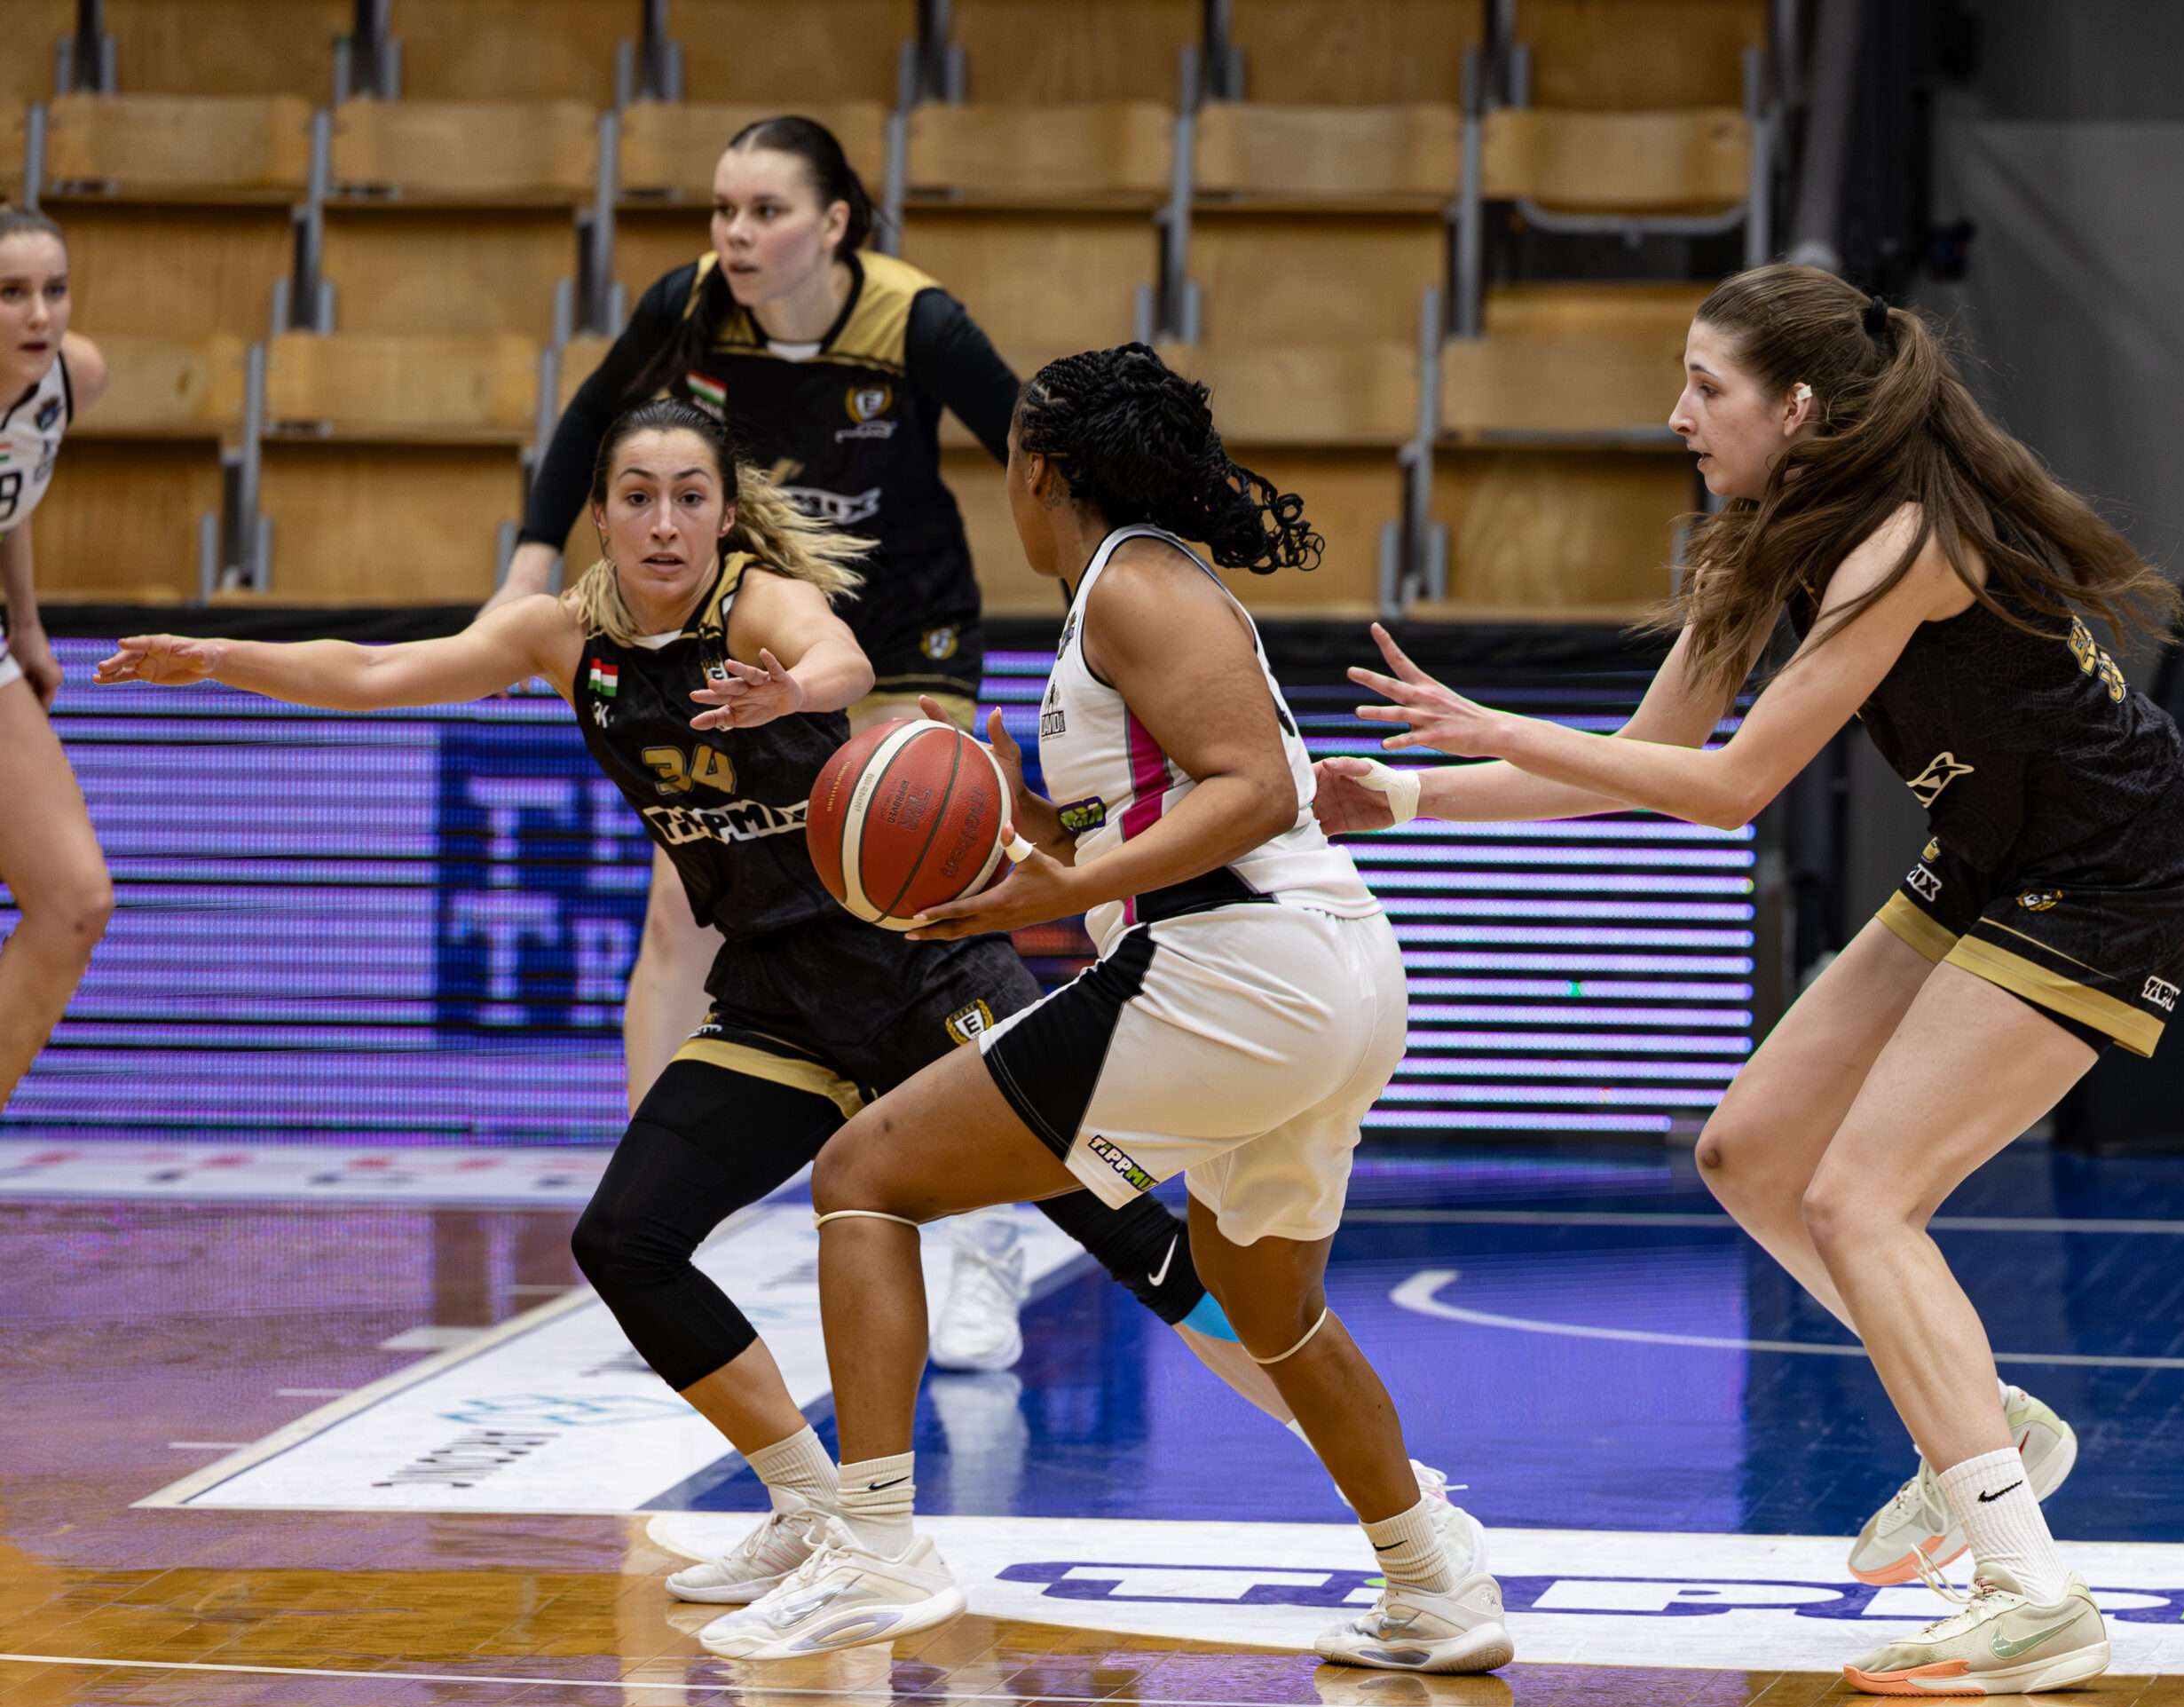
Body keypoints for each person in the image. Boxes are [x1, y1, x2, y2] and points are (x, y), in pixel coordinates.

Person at [97, 400, 1307, 1608]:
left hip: (921, 966)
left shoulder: (759, 606)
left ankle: (1360, 1465)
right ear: (602, 515)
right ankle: (810, 1505)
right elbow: (377, 670)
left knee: (1129, 1238)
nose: (665, 523)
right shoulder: (560, 636)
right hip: (780, 993)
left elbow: (840, 657)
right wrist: (219, 660)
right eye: (638, 498)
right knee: (624, 1239)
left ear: (727, 515)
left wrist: (796, 692)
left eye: (690, 497)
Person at [1322, 264, 2184, 1696]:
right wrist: (1404, 797)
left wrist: (1495, 726)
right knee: (1752, 1152)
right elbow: (1648, 758)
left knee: (1862, 1197)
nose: (1678, 414)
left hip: (2110, 871)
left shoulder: (1908, 539)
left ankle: (2033, 1591)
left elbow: (1734, 788)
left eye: (1706, 386)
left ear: (1796, 408)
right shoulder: (1760, 537)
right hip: (1990, 855)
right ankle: (1985, 1424)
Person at [695, 345, 1512, 1676]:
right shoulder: (1128, 593)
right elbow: (1161, 813)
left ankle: (875, 1543)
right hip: (1323, 974)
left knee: (862, 1174)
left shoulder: (1134, 583)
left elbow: (1253, 789)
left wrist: (1069, 883)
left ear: (1038, 469)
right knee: (1267, 1300)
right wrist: (1027, 819)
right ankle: (1433, 1579)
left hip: (1241, 964)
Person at [487, 115, 1036, 1369]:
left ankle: (987, 1236)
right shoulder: (689, 304)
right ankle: (657, 1225)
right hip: (744, 635)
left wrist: (1099, 606)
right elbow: (590, 419)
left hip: (896, 637)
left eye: (766, 212)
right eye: (723, 209)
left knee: (916, 910)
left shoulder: (914, 323)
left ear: (833, 224)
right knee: (676, 919)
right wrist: (525, 570)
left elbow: (1031, 449)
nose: (735, 234)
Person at [0, 208, 113, 1116]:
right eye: (11, 293)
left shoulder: (72, 376)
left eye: (55, 290)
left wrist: (28, 623)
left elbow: (15, 487)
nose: (40, 314)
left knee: (76, 900)